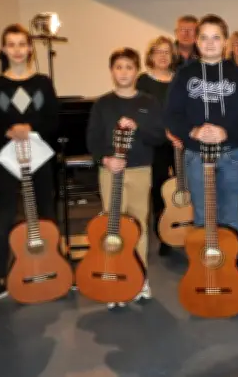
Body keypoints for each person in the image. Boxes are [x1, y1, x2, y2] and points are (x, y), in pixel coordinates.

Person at [0, 24, 59, 309]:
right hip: (9, 161)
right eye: (11, 44)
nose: (17, 50)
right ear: (3, 49)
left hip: (40, 159)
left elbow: (53, 120)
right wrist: (8, 130)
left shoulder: (43, 83)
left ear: (29, 48)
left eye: (22, 44)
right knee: (5, 218)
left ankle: (54, 268)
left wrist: (30, 126)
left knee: (47, 215)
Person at [164, 14, 238, 234]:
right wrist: (193, 131)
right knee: (203, 216)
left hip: (231, 154)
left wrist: (226, 131)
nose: (209, 43)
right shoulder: (184, 75)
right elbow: (171, 114)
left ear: (225, 41)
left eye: (216, 37)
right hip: (196, 155)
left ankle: (231, 266)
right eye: (204, 37)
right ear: (196, 42)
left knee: (230, 216)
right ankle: (205, 267)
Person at [86, 47, 165, 306]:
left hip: (140, 169)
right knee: (113, 227)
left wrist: (138, 127)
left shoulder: (148, 102)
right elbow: (93, 140)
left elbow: (159, 137)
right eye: (118, 67)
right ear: (111, 71)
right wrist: (105, 159)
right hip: (110, 171)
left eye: (129, 67)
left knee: (138, 225)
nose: (123, 72)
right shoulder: (102, 104)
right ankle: (116, 278)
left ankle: (140, 278)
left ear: (136, 71)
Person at [136, 36, 176, 257]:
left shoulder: (178, 79)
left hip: (179, 143)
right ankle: (163, 235)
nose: (162, 56)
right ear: (150, 56)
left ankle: (182, 228)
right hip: (154, 143)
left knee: (182, 188)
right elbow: (142, 113)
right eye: (158, 52)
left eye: (167, 52)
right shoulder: (143, 81)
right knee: (159, 190)